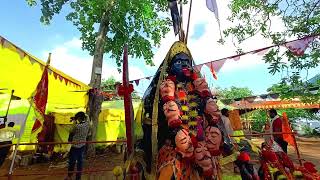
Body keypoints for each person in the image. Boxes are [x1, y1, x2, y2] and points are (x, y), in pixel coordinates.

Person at [65, 112, 90, 180]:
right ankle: (78, 178)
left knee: (72, 162)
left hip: (74, 147)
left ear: (78, 118)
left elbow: (71, 130)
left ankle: (69, 176)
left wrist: (74, 121)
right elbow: (87, 117)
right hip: (82, 146)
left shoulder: (77, 126)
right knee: (80, 163)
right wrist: (81, 116)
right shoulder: (87, 124)